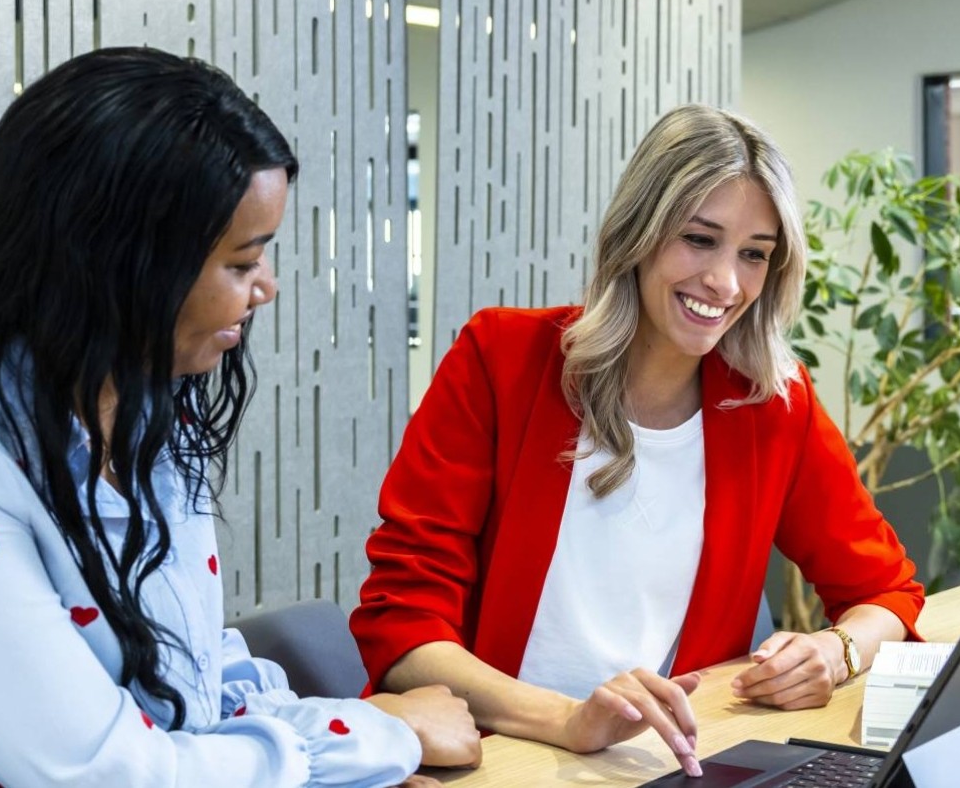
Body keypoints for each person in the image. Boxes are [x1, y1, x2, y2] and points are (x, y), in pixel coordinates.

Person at [0, 47, 479, 787]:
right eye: (241, 263)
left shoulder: (140, 417)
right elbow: (98, 771)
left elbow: (187, 686)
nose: (265, 288)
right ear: (117, 264)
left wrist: (339, 748)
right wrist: (369, 734)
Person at [350, 105, 925, 777]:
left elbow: (887, 593)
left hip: (665, 765)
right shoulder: (501, 359)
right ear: (639, 231)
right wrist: (567, 720)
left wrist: (837, 652)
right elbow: (403, 628)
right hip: (496, 760)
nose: (725, 283)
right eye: (699, 239)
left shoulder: (773, 404)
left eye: (755, 255)